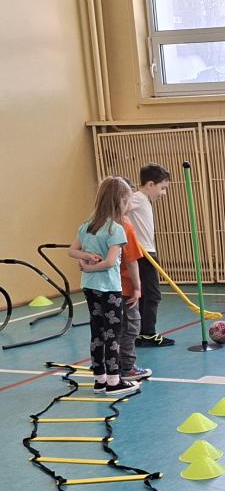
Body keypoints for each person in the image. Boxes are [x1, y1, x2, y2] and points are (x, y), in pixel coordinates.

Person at [68, 177, 140, 397]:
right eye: (129, 200)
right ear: (121, 201)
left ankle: (99, 380)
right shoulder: (115, 229)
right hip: (109, 288)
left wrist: (86, 258)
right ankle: (113, 381)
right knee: (112, 334)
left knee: (97, 332)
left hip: (90, 288)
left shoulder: (87, 226)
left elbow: (72, 251)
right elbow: (110, 262)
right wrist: (91, 266)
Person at [127, 163, 173, 347]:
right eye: (162, 188)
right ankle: (148, 333)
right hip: (144, 253)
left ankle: (141, 332)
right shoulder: (137, 198)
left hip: (146, 251)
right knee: (153, 295)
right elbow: (117, 210)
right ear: (150, 184)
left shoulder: (143, 200)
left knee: (146, 294)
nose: (164, 193)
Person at [116, 178, 152, 382]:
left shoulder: (95, 224)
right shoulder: (124, 226)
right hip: (123, 286)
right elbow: (131, 261)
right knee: (130, 327)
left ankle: (107, 367)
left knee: (109, 328)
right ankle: (127, 367)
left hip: (104, 289)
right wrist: (137, 288)